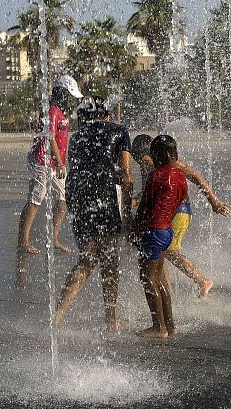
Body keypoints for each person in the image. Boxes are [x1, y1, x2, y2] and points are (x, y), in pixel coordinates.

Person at [54, 96, 133, 332]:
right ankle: (111, 319)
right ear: (106, 113)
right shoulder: (119, 131)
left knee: (87, 257)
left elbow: (75, 171)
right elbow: (126, 174)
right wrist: (126, 213)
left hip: (78, 196)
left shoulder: (78, 136)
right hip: (103, 195)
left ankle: (58, 315)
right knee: (109, 259)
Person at [131, 134, 231, 299]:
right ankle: (166, 292)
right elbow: (148, 194)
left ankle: (203, 281)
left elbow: (196, 177)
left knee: (169, 249)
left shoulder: (171, 162)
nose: (145, 163)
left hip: (179, 210)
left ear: (153, 153)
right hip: (166, 211)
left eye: (146, 159)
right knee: (160, 252)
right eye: (140, 160)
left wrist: (214, 201)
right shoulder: (149, 164)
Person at [17, 75, 83, 254]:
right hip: (43, 161)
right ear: (62, 93)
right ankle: (23, 241)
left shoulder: (62, 112)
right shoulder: (52, 110)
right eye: (68, 95)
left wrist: (63, 161)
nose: (70, 99)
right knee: (35, 200)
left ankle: (53, 239)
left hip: (57, 164)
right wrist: (61, 163)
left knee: (62, 202)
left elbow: (63, 139)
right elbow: (50, 137)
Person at [132, 135, 187, 338]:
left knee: (148, 279)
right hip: (166, 230)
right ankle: (170, 325)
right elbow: (177, 204)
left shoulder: (156, 176)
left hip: (152, 231)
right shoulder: (180, 176)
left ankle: (158, 327)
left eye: (154, 156)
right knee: (159, 279)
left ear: (161, 155)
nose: (152, 160)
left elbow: (145, 205)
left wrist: (136, 228)